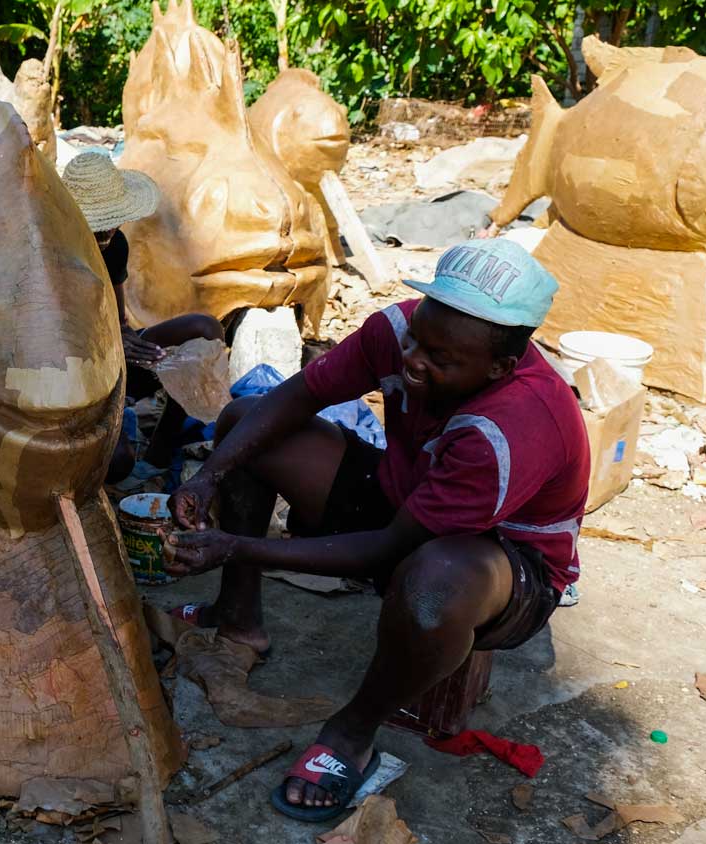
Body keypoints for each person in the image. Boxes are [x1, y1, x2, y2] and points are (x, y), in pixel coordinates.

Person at [163, 239, 587, 822]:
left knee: (433, 582)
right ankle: (239, 619)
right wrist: (208, 477)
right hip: (407, 496)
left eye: (441, 360)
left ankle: (351, 732)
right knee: (246, 423)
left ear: (500, 367)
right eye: (418, 339)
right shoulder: (406, 330)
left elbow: (389, 552)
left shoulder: (512, 426)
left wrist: (232, 544)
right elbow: (302, 394)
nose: (414, 359)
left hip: (506, 565)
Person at [60, 151, 224, 480]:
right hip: (68, 374)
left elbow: (119, 321)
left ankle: (162, 445)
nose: (105, 233)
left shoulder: (116, 245)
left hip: (115, 357)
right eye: (95, 226)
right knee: (116, 464)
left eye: (110, 222)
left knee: (204, 329)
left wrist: (127, 340)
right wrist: (106, 344)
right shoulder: (55, 254)